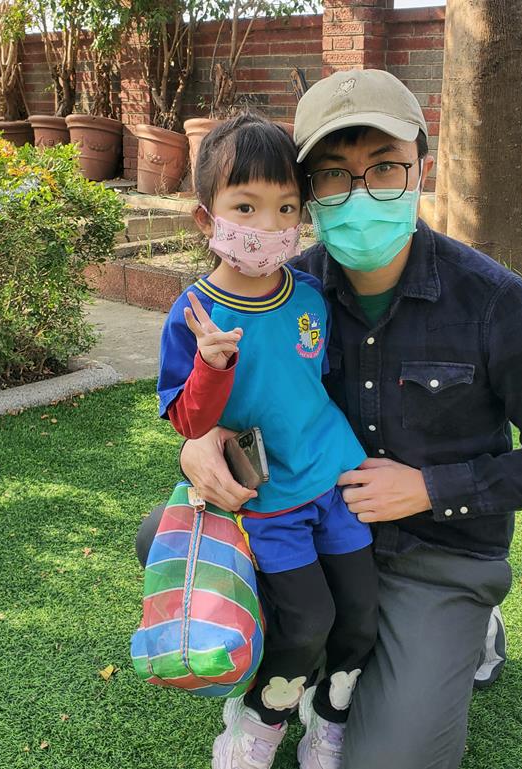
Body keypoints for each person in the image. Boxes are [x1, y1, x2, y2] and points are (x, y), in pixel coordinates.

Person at [141, 69, 522, 768]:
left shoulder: (495, 304)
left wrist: (429, 488)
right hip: (310, 523)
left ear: (422, 170)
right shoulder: (291, 287)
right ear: (308, 194)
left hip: (435, 555)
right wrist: (198, 442)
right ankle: (291, 676)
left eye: (384, 167)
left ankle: (464, 629)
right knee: (165, 536)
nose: (358, 193)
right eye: (332, 175)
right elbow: (225, 395)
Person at [154, 113, 379, 769]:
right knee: (306, 621)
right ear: (207, 218)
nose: (267, 225)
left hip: (334, 479)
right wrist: (211, 366)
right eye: (245, 207)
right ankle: (261, 718)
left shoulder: (310, 295)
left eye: (285, 208)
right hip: (269, 503)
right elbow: (187, 421)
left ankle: (329, 718)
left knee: (359, 615)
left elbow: (317, 380)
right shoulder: (194, 314)